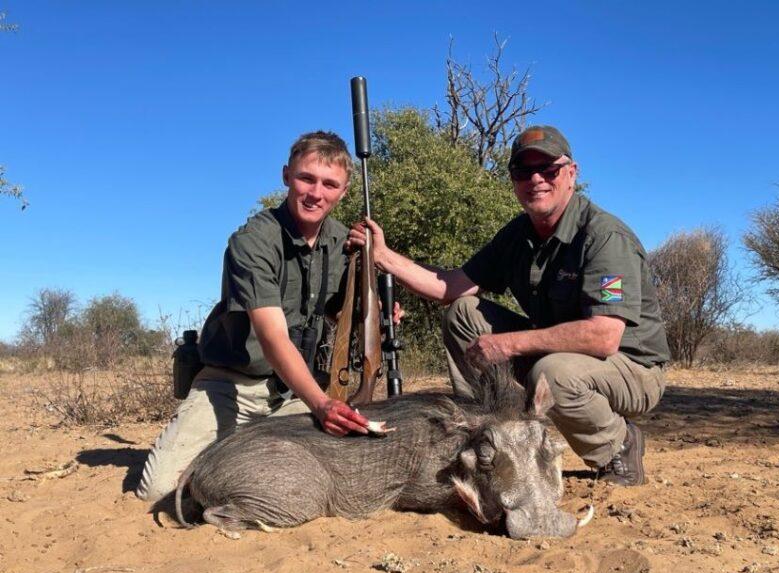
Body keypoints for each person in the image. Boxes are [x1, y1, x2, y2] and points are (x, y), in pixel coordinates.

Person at [348, 125, 670, 486]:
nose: (536, 179)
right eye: (523, 171)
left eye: (548, 169)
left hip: (632, 370)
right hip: (564, 357)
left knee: (552, 373)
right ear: (513, 179)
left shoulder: (605, 236)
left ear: (572, 174)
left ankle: (618, 446)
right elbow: (450, 287)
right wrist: (384, 256)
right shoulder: (518, 234)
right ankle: (486, 434)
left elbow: (604, 337)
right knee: (463, 312)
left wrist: (509, 344)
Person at [137, 131, 372, 503]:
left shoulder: (345, 244)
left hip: (294, 394)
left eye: (330, 184)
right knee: (159, 490)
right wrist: (322, 405)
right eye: (306, 178)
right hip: (233, 388)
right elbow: (273, 337)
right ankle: (228, 454)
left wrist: (378, 307)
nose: (316, 193)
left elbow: (344, 312)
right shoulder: (252, 241)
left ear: (343, 192)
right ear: (285, 176)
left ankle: (238, 456)